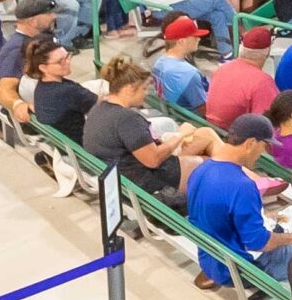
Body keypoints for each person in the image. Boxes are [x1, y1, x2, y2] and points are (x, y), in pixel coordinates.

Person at [186, 113, 292, 289]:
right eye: (264, 146)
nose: (262, 153)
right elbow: (260, 243)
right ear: (251, 143)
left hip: (211, 259)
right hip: (241, 269)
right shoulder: (242, 186)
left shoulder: (200, 171)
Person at [83, 56, 216, 207]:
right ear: (129, 89)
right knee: (214, 166)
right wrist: (180, 135)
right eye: (144, 88)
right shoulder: (127, 119)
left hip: (121, 173)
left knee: (205, 140)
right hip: (142, 182)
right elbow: (153, 160)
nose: (146, 93)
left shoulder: (100, 107)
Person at [0, 0, 60, 121]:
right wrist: (18, 105)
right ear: (33, 21)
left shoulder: (37, 41)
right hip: (37, 117)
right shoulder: (18, 49)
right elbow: (4, 89)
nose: (53, 16)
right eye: (48, 14)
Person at [204, 26, 281, 127]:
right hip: (234, 136)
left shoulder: (223, 68)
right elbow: (266, 125)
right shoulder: (263, 82)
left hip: (212, 127)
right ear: (267, 51)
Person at [23, 41, 95, 143]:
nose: (68, 62)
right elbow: (101, 108)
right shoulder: (68, 92)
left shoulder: (41, 88)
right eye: (60, 61)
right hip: (83, 147)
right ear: (43, 68)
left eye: (67, 56)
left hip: (63, 144)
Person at [150, 16, 212, 108]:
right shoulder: (188, 73)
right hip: (189, 119)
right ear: (182, 41)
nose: (198, 39)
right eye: (194, 36)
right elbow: (203, 109)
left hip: (173, 112)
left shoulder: (159, 62)